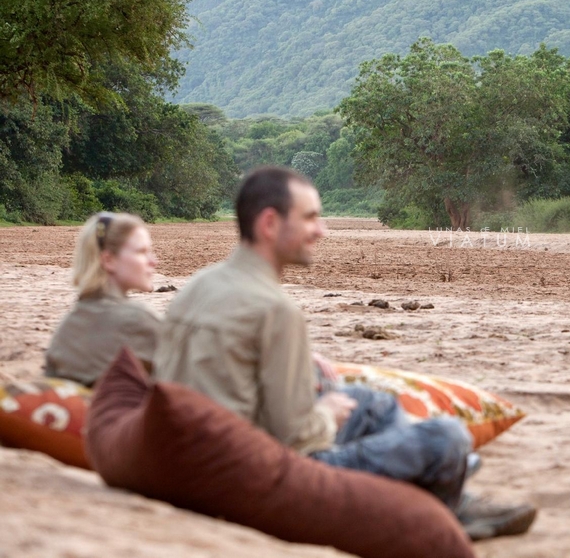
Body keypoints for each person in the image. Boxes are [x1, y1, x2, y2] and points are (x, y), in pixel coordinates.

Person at [154, 166, 536, 540]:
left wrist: (306, 370)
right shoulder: (274, 309)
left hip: (196, 454)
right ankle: (450, 504)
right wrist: (326, 413)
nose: (321, 230)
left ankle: (455, 492)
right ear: (269, 224)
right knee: (447, 436)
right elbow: (296, 438)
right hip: (262, 471)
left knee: (372, 403)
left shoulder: (198, 285)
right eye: (310, 218)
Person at [45, 212, 161, 386]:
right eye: (142, 251)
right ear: (109, 260)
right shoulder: (138, 320)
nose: (153, 261)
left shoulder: (66, 327)